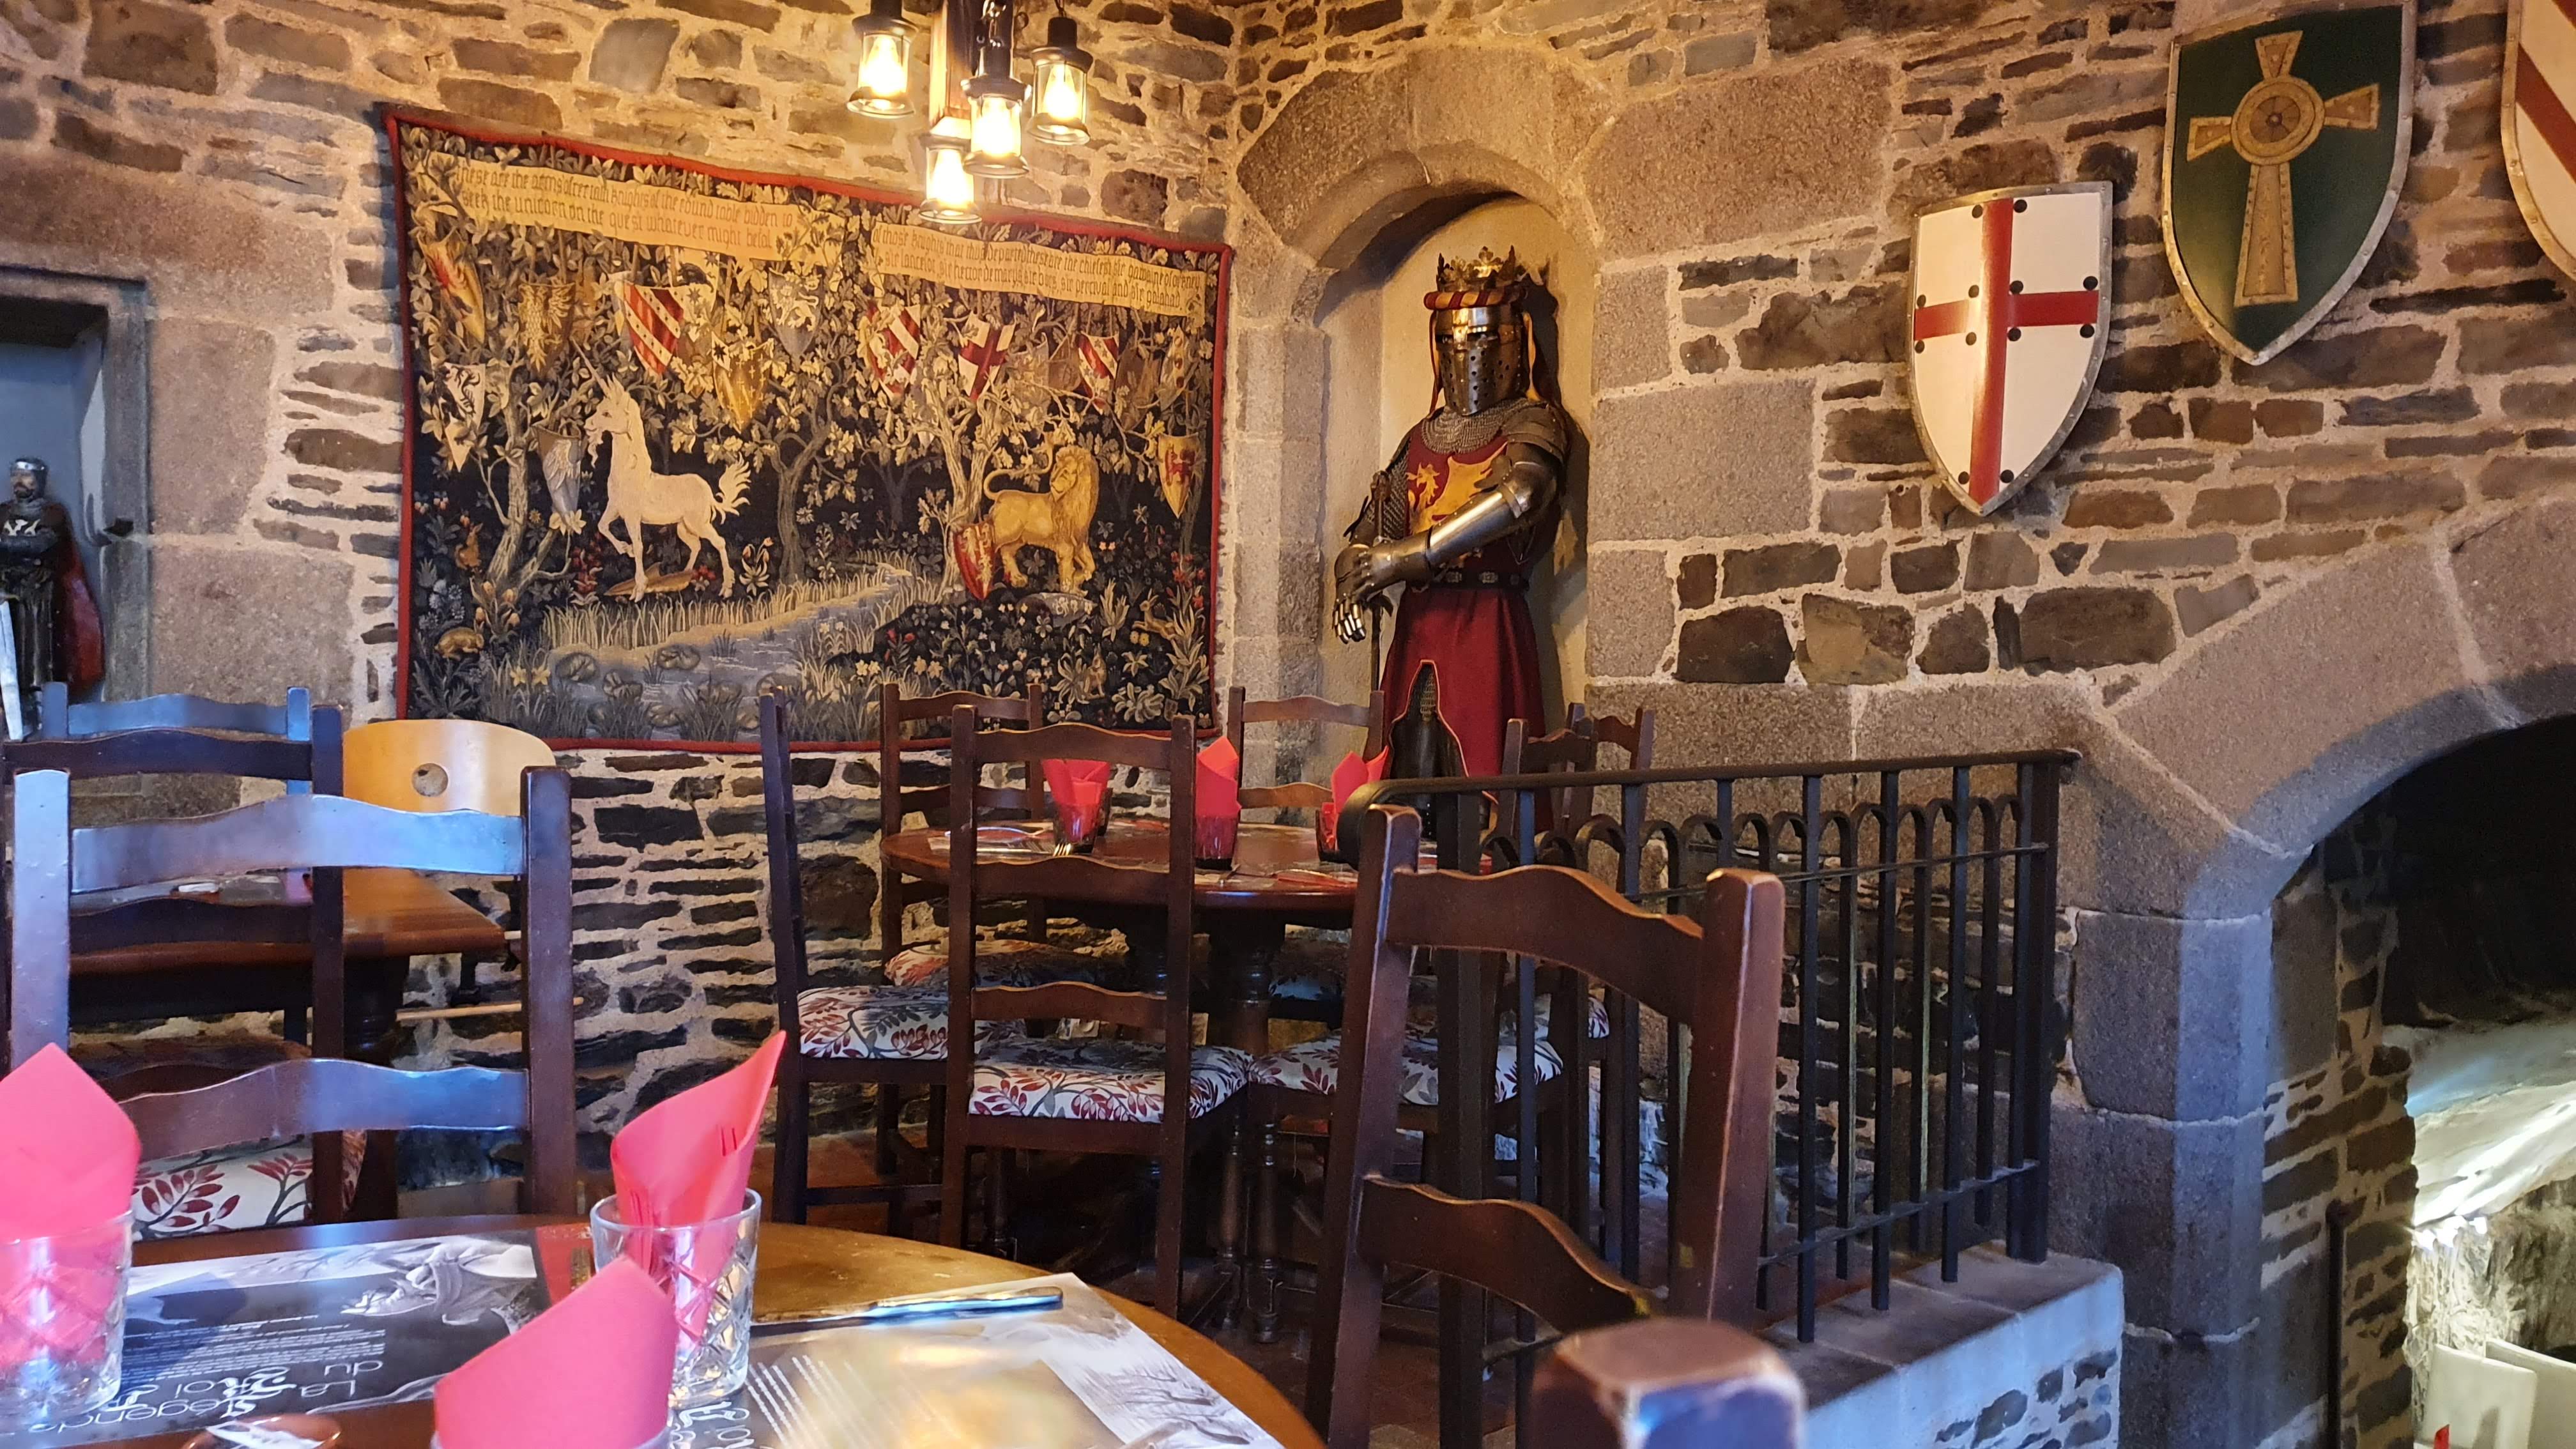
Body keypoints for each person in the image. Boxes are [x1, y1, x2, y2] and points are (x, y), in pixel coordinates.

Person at [1331, 250, 1572, 778]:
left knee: (1481, 773)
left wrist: (1404, 558)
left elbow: (1521, 495)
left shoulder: (1532, 422)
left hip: (1487, 620)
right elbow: (1372, 528)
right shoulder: (1423, 435)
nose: (1466, 354)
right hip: (1420, 623)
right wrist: (1352, 578)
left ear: (1514, 339)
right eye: (1451, 340)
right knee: (1409, 766)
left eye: (1482, 337)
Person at [0, 458, 103, 724]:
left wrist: (8, 545)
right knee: (9, 653)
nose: (19, 482)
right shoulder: (3, 513)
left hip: (40, 594)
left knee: (39, 654)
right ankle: (11, 710)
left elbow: (44, 544)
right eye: (16, 476)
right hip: (7, 591)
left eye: (26, 476)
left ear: (39, 480)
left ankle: (41, 708)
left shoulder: (52, 513)